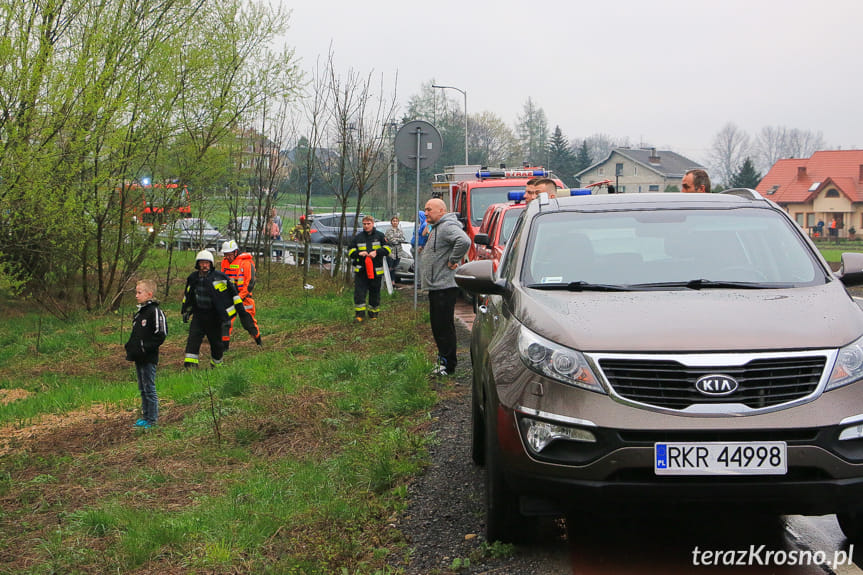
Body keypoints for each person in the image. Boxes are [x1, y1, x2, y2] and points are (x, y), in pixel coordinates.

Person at [420, 198, 470, 376]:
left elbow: (464, 241)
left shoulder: (447, 226)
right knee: (438, 326)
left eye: (429, 209)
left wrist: (452, 261)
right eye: (425, 210)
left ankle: (447, 365)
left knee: (443, 327)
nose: (426, 213)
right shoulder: (437, 227)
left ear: (441, 211)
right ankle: (444, 360)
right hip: (437, 286)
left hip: (444, 286)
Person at [181, 250, 243, 368]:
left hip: (214, 317)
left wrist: (228, 316)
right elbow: (188, 296)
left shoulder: (220, 278)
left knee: (216, 343)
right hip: (199, 316)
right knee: (193, 341)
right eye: (202, 263)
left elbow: (232, 295)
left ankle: (217, 365)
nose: (204, 265)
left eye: (207, 263)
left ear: (211, 264)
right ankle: (190, 366)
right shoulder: (193, 278)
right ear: (198, 264)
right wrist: (187, 311)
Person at [125, 279, 167, 429]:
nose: (136, 295)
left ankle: (152, 419)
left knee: (149, 387)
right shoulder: (139, 314)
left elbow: (161, 334)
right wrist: (131, 347)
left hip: (149, 357)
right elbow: (136, 335)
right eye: (136, 292)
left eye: (139, 292)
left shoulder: (155, 312)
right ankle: (146, 416)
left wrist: (145, 347)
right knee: (142, 388)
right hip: (138, 357)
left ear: (149, 294)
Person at [220, 240, 262, 349]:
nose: (228, 257)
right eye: (226, 255)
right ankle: (225, 348)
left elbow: (250, 282)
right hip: (229, 298)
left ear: (235, 252)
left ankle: (259, 342)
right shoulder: (224, 262)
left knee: (248, 323)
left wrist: (240, 297)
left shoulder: (246, 263)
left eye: (229, 254)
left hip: (244, 299)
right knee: (226, 322)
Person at [348, 216, 391, 321]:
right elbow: (350, 251)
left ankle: (373, 314)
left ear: (373, 224)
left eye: (368, 224)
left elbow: (388, 249)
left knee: (375, 292)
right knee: (359, 293)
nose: (366, 226)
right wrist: (359, 253)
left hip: (376, 271)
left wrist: (377, 252)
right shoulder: (358, 237)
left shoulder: (380, 236)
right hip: (361, 271)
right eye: (364, 224)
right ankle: (359, 315)